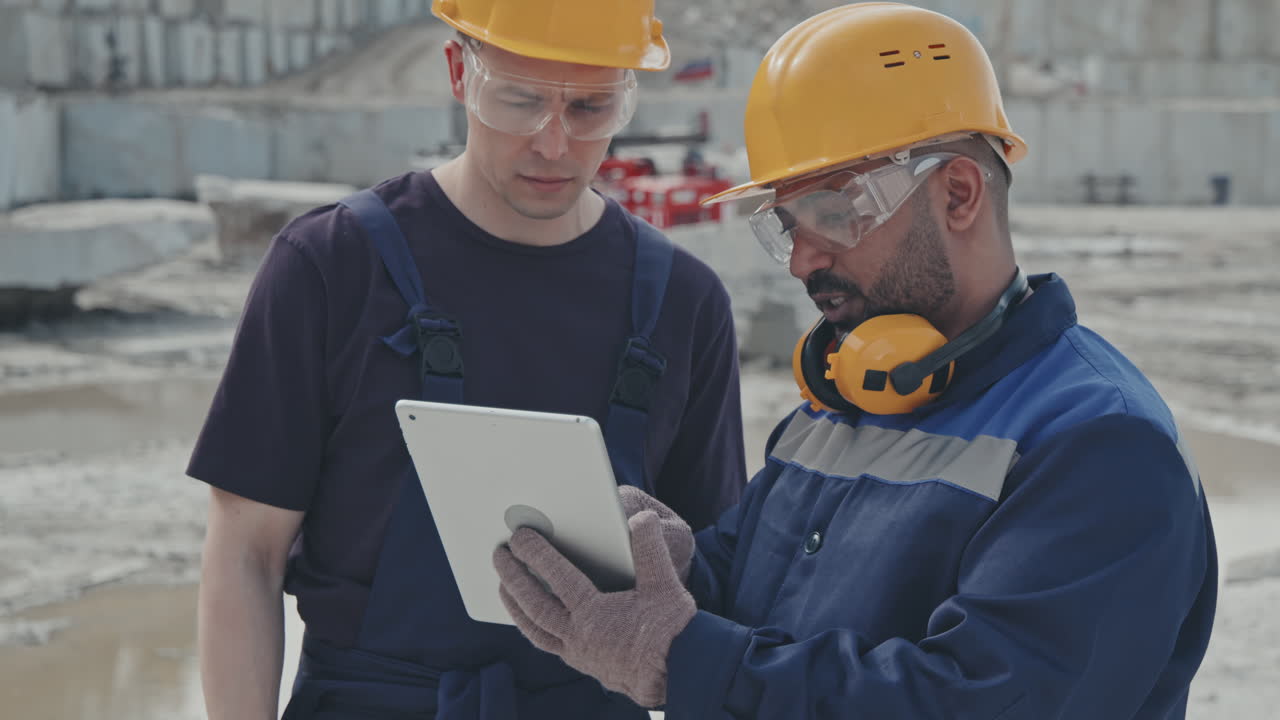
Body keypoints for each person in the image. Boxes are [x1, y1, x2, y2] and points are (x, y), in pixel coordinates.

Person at [493, 3, 1219, 718]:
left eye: (834, 213)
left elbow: (968, 700)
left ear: (958, 193)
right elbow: (754, 592)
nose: (802, 260)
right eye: (785, 225)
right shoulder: (844, 397)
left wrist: (680, 660)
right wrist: (675, 568)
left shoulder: (1101, 446)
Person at [189, 1, 748, 718]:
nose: (554, 143)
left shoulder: (684, 303)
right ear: (460, 72)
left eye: (591, 108)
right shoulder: (332, 267)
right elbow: (245, 554)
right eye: (519, 101)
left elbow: (716, 579)